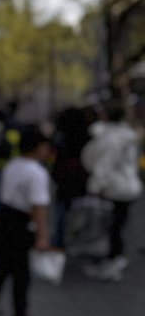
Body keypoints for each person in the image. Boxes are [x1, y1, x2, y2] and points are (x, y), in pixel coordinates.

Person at [0, 124, 53, 316]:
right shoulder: (37, 173)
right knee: (21, 273)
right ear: (38, 147)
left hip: (4, 218)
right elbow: (38, 207)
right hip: (20, 222)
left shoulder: (13, 165)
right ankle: (20, 315)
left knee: (1, 266)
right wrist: (42, 236)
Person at [81, 102, 142, 281]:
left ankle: (113, 260)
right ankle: (114, 258)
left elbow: (104, 165)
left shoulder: (111, 138)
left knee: (112, 226)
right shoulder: (127, 135)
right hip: (128, 186)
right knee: (118, 225)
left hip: (116, 188)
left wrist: (94, 187)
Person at [50, 107, 93, 249]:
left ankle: (59, 242)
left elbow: (55, 161)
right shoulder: (88, 136)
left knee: (62, 214)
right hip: (83, 182)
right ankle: (78, 241)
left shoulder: (61, 137)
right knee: (81, 213)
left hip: (65, 183)